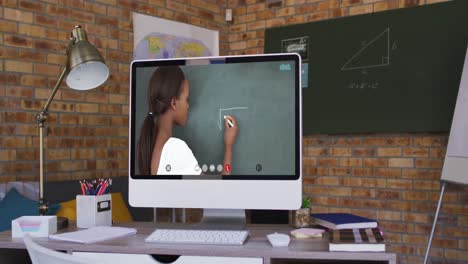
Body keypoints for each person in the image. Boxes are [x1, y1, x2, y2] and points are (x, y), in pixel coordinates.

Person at [137, 66, 238, 176]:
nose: (188, 106)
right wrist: (229, 146)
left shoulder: (150, 146)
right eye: (187, 99)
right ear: (174, 103)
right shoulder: (176, 149)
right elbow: (218, 191)